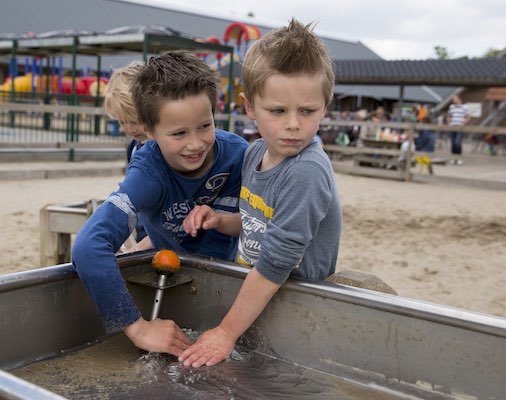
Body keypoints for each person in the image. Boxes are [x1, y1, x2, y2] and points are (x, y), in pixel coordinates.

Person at [179, 18, 342, 368]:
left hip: (298, 303)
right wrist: (222, 220)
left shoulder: (306, 172)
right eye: (278, 111)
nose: (294, 124)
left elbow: (277, 262)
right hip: (258, 294)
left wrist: (225, 332)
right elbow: (258, 222)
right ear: (249, 106)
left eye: (308, 111)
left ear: (325, 105)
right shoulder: (254, 153)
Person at [71, 50, 249, 356]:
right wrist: (138, 328)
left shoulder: (237, 156)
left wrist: (219, 219)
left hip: (224, 280)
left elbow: (252, 223)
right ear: (148, 131)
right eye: (179, 133)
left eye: (205, 126)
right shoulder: (147, 173)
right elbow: (88, 246)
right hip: (165, 279)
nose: (195, 144)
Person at [104, 61, 152, 252]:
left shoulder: (168, 151)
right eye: (121, 121)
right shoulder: (134, 148)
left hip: (163, 237)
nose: (129, 129)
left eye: (134, 121)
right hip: (142, 229)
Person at [446, 94, 471, 165]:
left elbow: (468, 117)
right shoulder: (451, 107)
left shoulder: (465, 107)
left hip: (460, 127)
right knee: (453, 143)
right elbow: (448, 116)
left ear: (458, 98)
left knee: (457, 143)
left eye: (454, 98)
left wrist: (463, 124)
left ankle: (459, 158)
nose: (453, 100)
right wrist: (449, 123)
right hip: (452, 126)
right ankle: (453, 158)